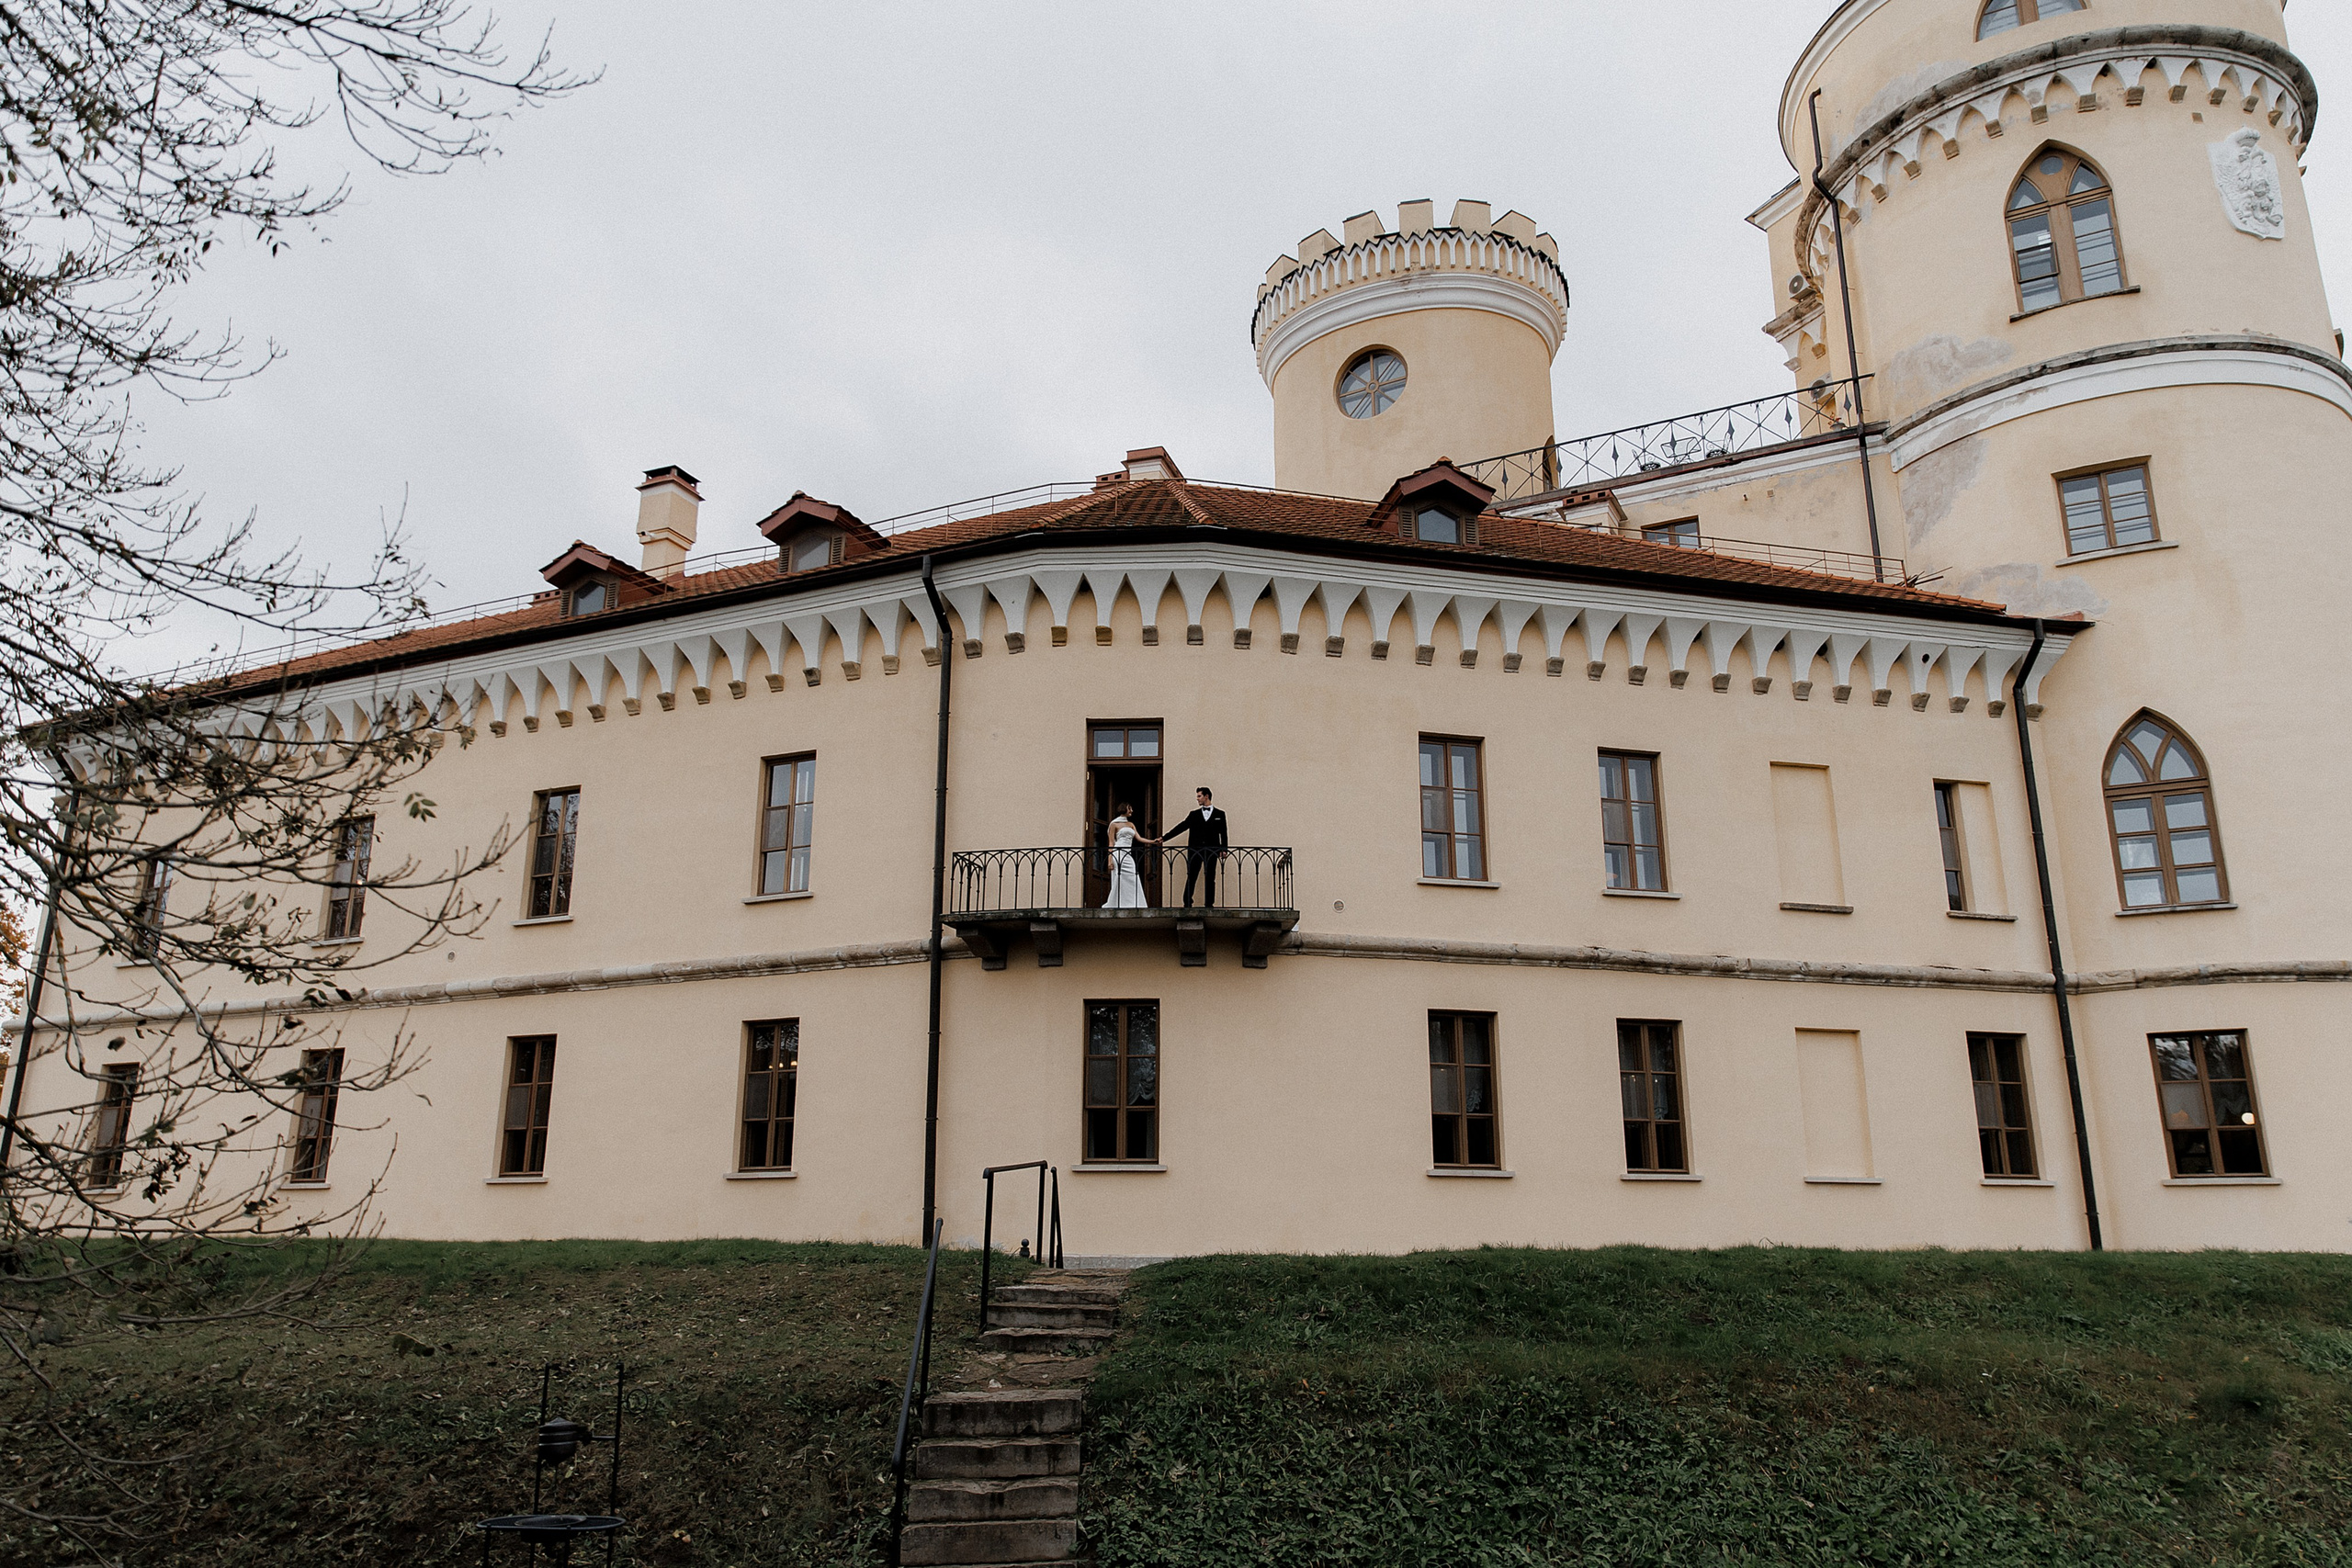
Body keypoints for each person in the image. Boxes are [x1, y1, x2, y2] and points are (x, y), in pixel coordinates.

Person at [1159, 786, 1227, 907]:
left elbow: (1224, 833)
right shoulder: (1194, 814)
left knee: (1210, 877)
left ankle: (1209, 904)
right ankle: (1187, 902)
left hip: (1212, 850)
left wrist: (1224, 849)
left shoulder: (1220, 814)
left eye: (1199, 796)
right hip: (1195, 850)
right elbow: (1181, 827)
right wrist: (1164, 838)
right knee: (1192, 875)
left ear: (1206, 796)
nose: (1197, 799)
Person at [1102, 803, 1154, 909]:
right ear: (1124, 809)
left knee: (1132, 876)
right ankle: (1117, 903)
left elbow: (1139, 838)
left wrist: (1153, 841)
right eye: (1130, 808)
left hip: (1128, 855)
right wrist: (1109, 860)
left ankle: (1134, 903)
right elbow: (1111, 843)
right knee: (1120, 877)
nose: (1131, 811)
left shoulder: (1131, 824)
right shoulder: (1114, 824)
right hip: (1118, 853)